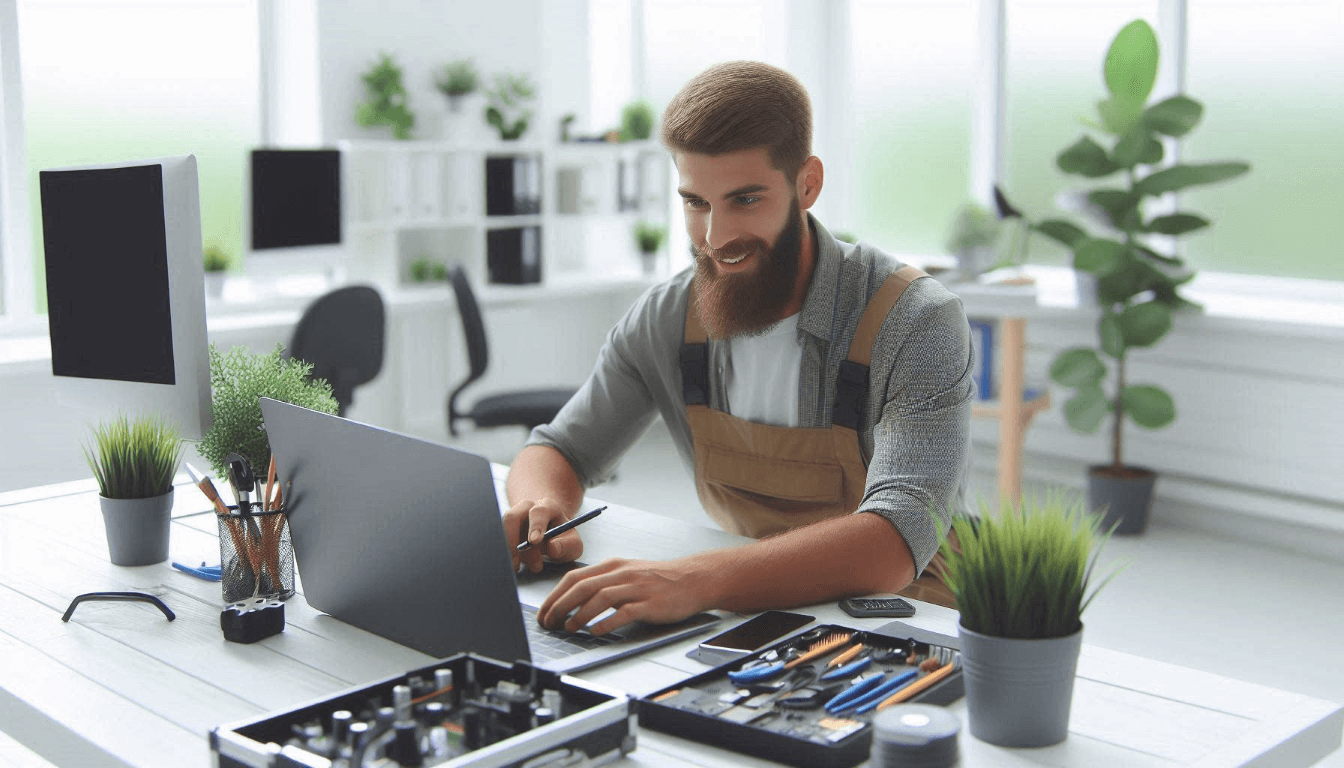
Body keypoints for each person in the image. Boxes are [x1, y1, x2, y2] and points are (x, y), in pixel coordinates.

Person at [503, 61, 973, 636]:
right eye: (696, 203)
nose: (715, 239)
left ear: (807, 184)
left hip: (911, 618)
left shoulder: (915, 322)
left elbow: (895, 538)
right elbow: (560, 449)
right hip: (761, 612)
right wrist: (537, 509)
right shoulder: (668, 318)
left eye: (745, 200)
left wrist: (694, 580)